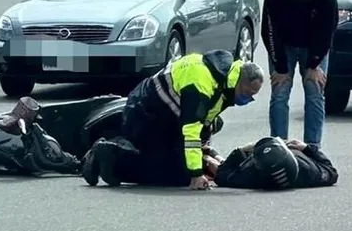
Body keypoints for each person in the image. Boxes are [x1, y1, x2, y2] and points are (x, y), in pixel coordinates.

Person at [82, 50, 265, 190]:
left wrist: (208, 156)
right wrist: (195, 174)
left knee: (185, 160)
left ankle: (125, 153)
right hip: (144, 115)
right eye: (248, 93)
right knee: (170, 174)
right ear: (240, 81)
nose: (248, 99)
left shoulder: (225, 79)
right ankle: (109, 156)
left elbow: (206, 122)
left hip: (165, 115)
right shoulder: (201, 84)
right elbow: (191, 130)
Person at [262, 0, 339, 147]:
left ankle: (313, 146)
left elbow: (327, 31)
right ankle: (279, 144)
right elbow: (269, 31)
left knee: (315, 90)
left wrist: (314, 65)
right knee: (280, 92)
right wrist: (280, 66)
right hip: (283, 45)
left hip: (313, 46)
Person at [207, 136, 338, 190]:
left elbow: (222, 174)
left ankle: (207, 155)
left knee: (218, 165)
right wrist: (307, 148)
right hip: (283, 154)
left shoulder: (250, 175)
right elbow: (332, 172)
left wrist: (241, 150)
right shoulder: (310, 172)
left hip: (252, 160)